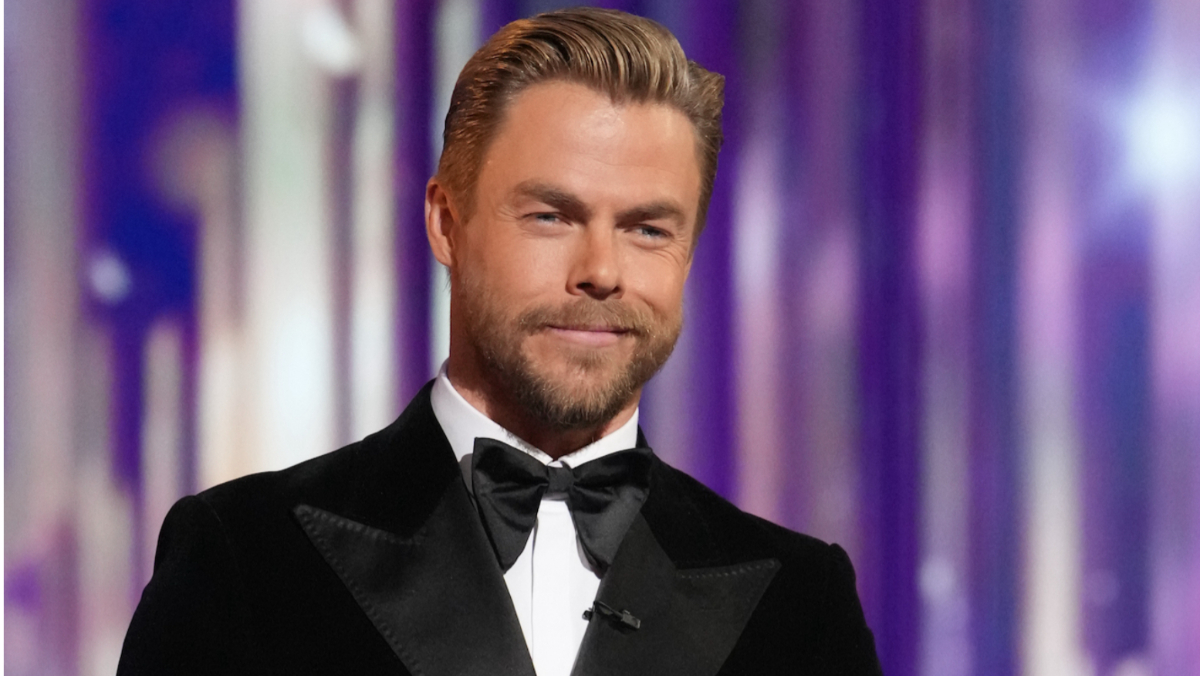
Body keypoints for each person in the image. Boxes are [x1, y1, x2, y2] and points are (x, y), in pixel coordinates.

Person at [118, 8, 881, 676]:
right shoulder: (243, 559)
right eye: (551, 216)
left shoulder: (802, 601)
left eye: (648, 229)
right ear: (447, 223)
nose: (601, 271)